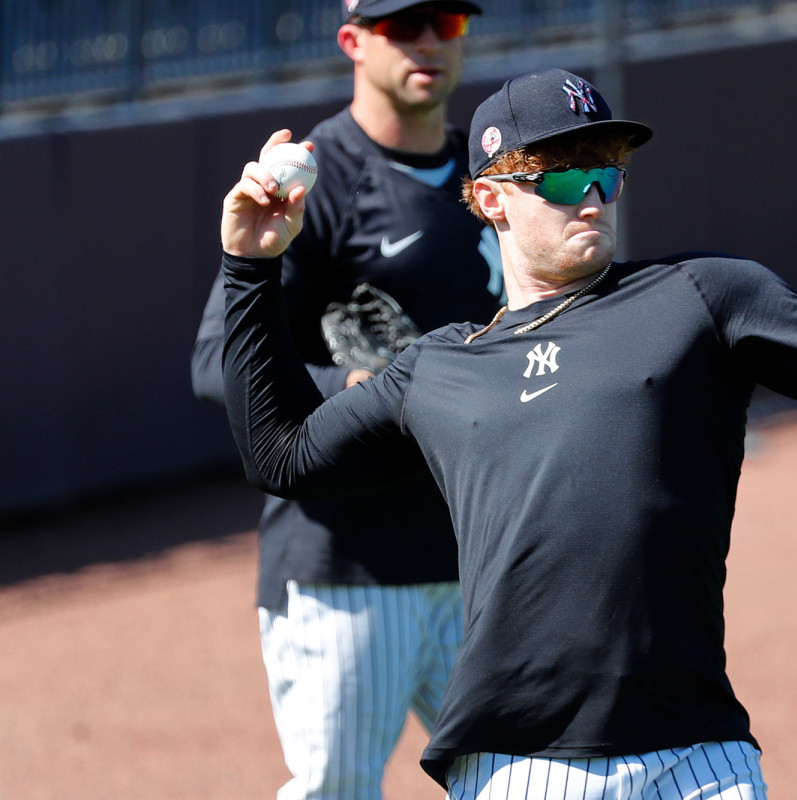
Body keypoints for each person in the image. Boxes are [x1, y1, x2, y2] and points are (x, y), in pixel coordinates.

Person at [215, 69, 797, 798]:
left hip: (696, 760)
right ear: (492, 195)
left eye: (608, 172)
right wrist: (251, 273)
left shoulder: (701, 298)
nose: (593, 193)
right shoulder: (440, 366)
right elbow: (282, 455)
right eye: (565, 174)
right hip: (516, 767)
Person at [190, 2, 502, 798]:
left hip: (485, 555)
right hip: (348, 567)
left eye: (449, 21)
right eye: (404, 24)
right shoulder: (313, 176)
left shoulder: (492, 179)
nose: (430, 40)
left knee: (537, 782)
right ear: (353, 42)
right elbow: (215, 363)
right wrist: (361, 391)